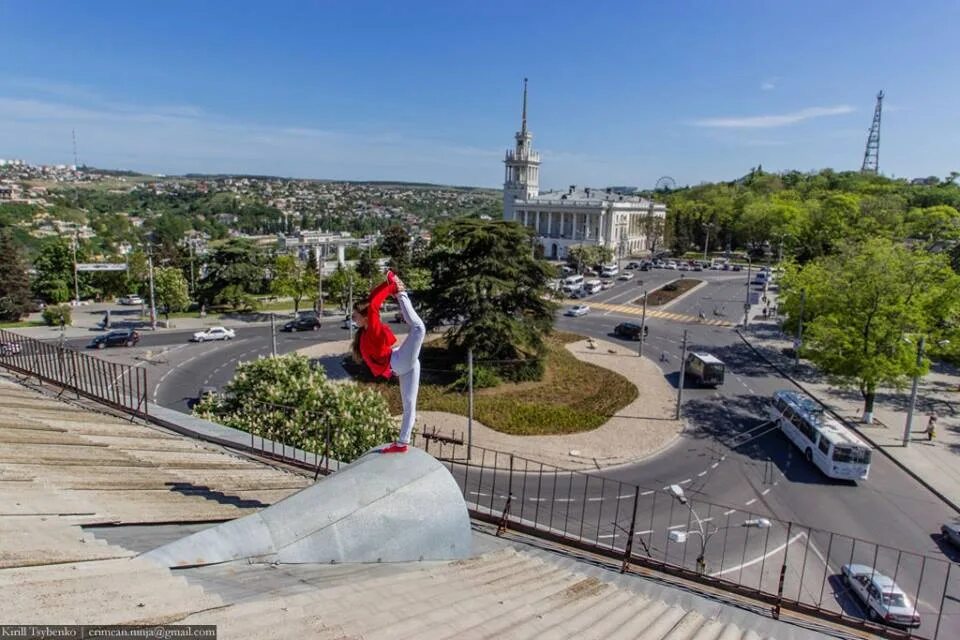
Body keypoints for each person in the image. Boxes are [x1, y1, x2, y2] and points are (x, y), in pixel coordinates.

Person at [351, 271, 425, 454]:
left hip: (400, 362)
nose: (353, 318)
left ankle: (402, 443)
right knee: (418, 328)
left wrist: (389, 284)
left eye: (355, 316)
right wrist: (391, 285)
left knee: (409, 404)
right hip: (398, 363)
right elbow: (372, 302)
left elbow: (373, 303)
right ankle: (402, 294)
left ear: (365, 317)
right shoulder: (368, 331)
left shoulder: (371, 328)